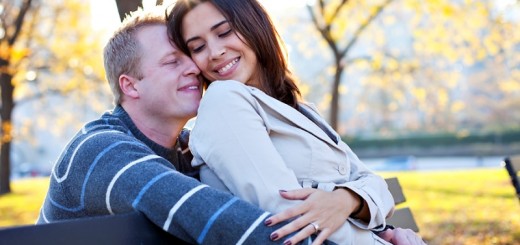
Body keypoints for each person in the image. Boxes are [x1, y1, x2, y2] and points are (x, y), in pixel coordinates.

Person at [35, 6, 334, 244]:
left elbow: (286, 186)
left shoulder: (190, 149)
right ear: (130, 86)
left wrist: (350, 207)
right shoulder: (100, 151)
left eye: (190, 56)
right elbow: (210, 217)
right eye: (172, 62)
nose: (195, 68)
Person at [167, 1, 426, 245]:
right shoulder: (223, 101)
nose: (215, 52)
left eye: (224, 32)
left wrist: (346, 199)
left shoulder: (301, 109)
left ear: (254, 25)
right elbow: (288, 216)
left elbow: (375, 185)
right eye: (198, 47)